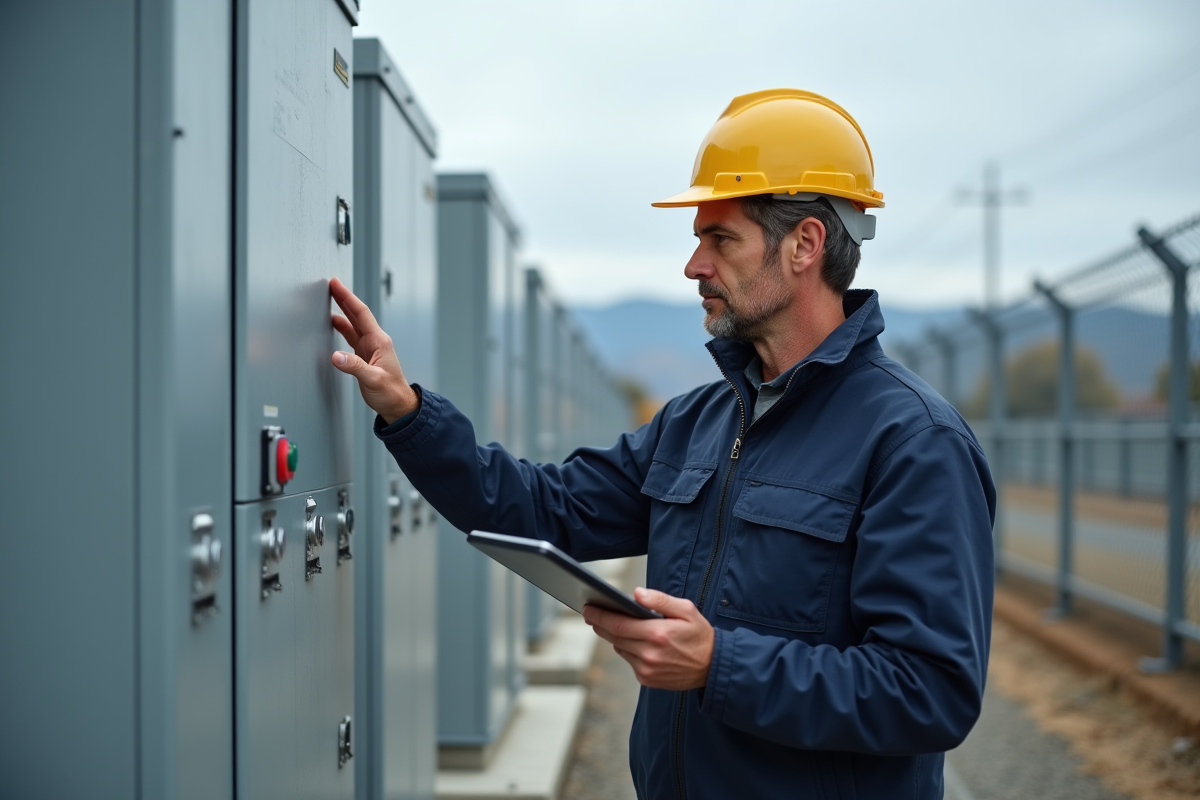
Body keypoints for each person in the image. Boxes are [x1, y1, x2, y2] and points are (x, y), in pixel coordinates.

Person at [330, 88, 996, 800]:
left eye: (721, 239)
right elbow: (538, 507)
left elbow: (929, 691)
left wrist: (720, 664)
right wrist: (407, 413)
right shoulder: (695, 423)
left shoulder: (913, 442)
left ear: (806, 243)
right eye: (696, 241)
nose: (694, 267)